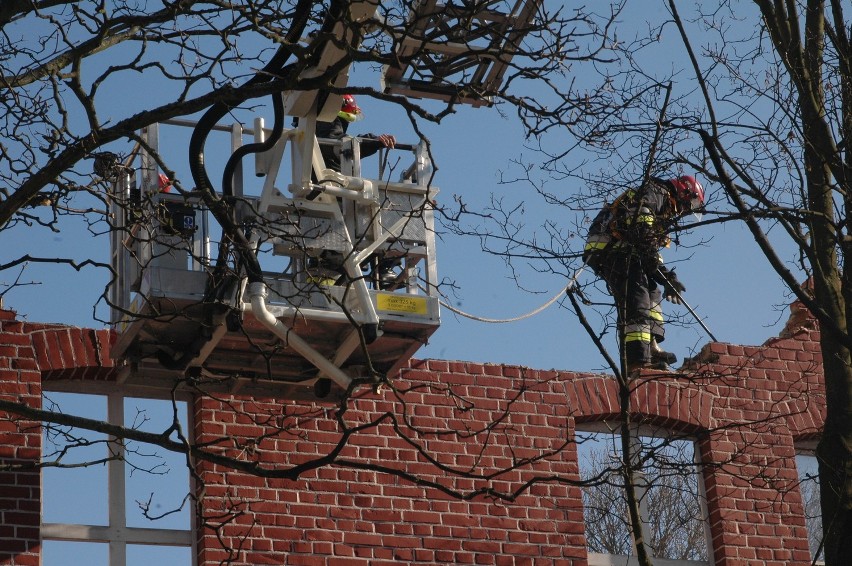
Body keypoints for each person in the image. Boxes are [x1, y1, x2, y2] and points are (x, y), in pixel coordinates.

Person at [582, 175, 705, 373]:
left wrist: (664, 278)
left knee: (652, 293)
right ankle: (638, 360)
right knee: (637, 297)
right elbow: (643, 235)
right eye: (687, 204)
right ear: (684, 191)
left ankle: (651, 347)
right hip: (613, 249)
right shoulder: (655, 193)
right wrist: (666, 278)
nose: (684, 211)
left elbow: (651, 250)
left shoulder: (662, 207)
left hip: (627, 251)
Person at [310, 94, 402, 288]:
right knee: (385, 213)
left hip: (331, 201)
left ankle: (380, 267)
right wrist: (373, 141)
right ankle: (384, 268)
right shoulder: (325, 125)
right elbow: (339, 145)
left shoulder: (311, 127)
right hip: (335, 199)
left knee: (369, 221)